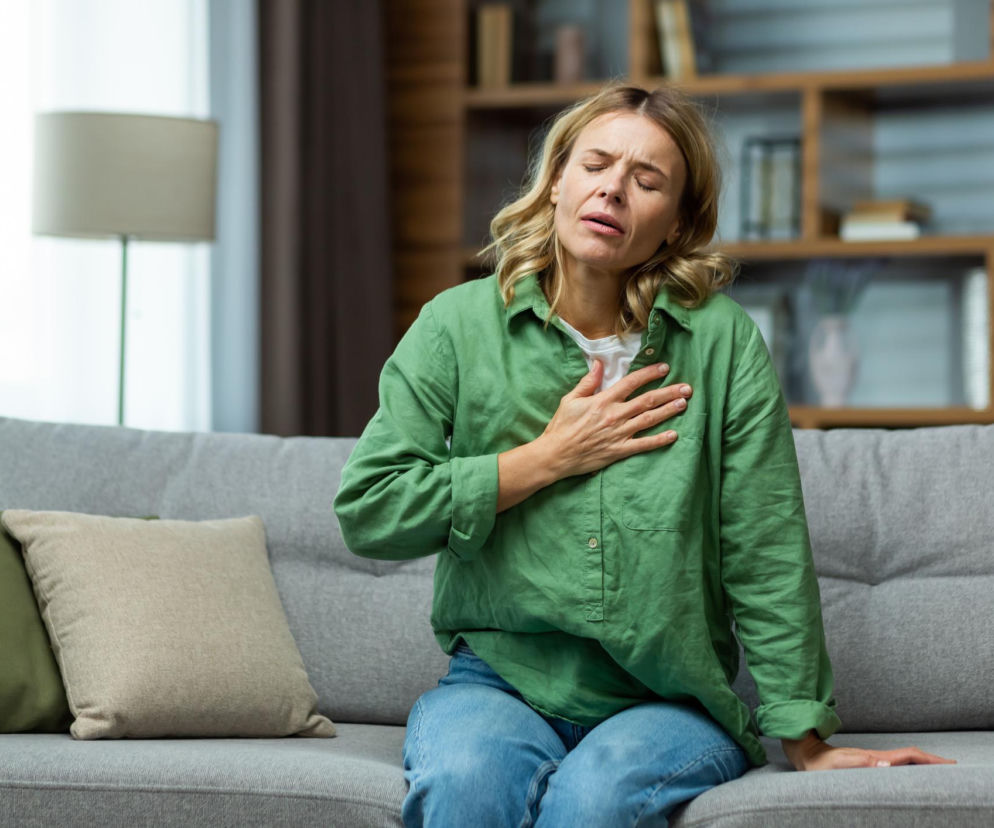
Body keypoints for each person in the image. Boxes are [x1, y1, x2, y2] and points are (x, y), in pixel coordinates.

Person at [333, 83, 954, 826]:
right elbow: (370, 510)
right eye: (595, 164)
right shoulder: (456, 325)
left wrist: (805, 735)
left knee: (596, 799)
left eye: (647, 180)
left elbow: (764, 547)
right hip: (499, 684)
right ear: (557, 179)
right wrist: (547, 457)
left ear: (676, 224)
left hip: (666, 698)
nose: (613, 190)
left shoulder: (722, 343)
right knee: (467, 783)